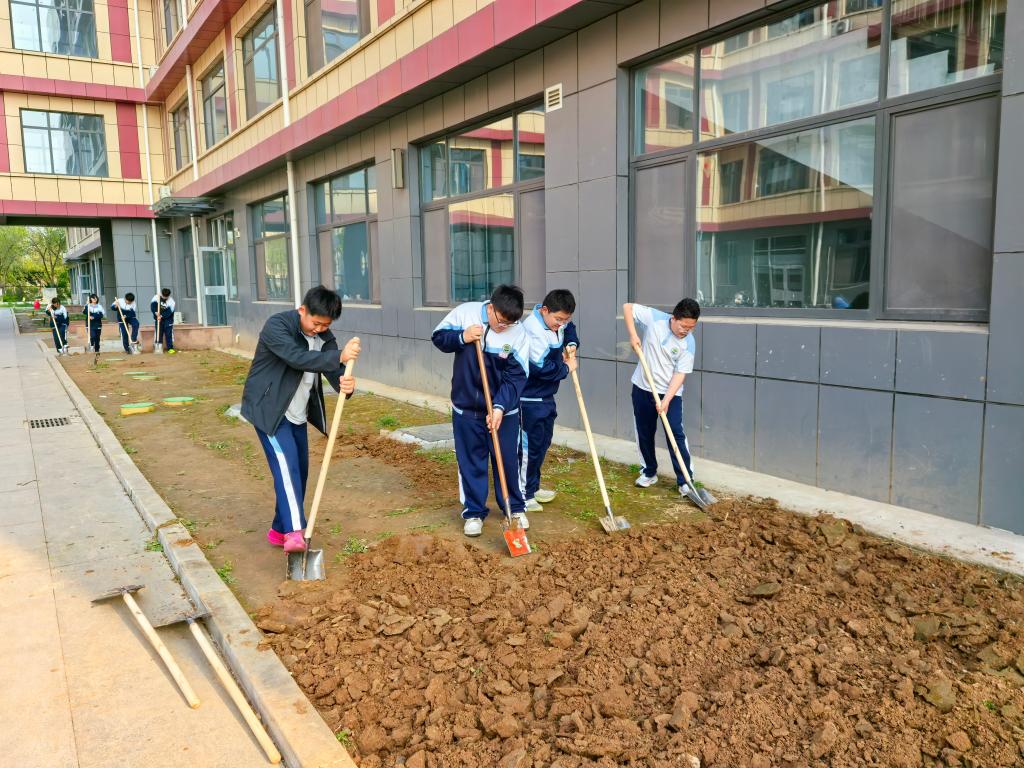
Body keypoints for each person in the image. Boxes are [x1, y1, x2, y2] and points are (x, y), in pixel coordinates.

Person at [240, 286, 360, 553]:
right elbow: (297, 358)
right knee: (287, 469)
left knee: (299, 473)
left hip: (297, 414)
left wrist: (346, 384)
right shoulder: (277, 327)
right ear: (302, 310)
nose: (319, 329)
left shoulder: (324, 337)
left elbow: (333, 370)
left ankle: (278, 529)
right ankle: (295, 533)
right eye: (315, 323)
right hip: (270, 410)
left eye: (325, 325)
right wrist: (337, 356)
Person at [432, 284, 532, 537]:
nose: (504, 327)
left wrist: (500, 407)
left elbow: (517, 376)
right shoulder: (465, 313)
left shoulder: (518, 333)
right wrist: (462, 337)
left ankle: (514, 508)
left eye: (510, 323)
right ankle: (474, 512)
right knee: (470, 460)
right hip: (466, 407)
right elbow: (438, 337)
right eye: (501, 320)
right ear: (491, 308)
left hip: (504, 412)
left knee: (507, 460)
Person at [623, 298, 708, 502]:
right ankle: (649, 472)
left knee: (675, 433)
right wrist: (633, 335)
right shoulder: (655, 319)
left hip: (671, 392)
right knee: (644, 431)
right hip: (642, 387)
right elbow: (628, 308)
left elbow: (680, 374)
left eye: (691, 327)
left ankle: (685, 480)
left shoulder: (688, 343)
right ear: (674, 318)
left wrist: (666, 399)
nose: (686, 331)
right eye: (683, 326)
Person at [518, 289, 579, 513]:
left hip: (545, 397)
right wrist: (566, 368)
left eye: (565, 319)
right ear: (545, 310)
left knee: (542, 443)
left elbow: (569, 329)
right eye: (558, 319)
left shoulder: (556, 321)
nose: (561, 324)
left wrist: (571, 344)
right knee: (529, 448)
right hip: (529, 399)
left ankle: (532, 487)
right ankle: (523, 495)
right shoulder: (533, 330)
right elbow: (540, 368)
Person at [151, 288, 176, 354]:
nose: (164, 298)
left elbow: (169, 312)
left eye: (166, 297)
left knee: (168, 333)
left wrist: (161, 316)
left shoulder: (172, 302)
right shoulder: (156, 297)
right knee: (159, 332)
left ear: (168, 296)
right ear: (161, 294)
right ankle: (159, 347)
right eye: (163, 296)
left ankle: (170, 348)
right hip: (158, 317)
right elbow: (153, 306)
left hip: (168, 319)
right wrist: (156, 313)